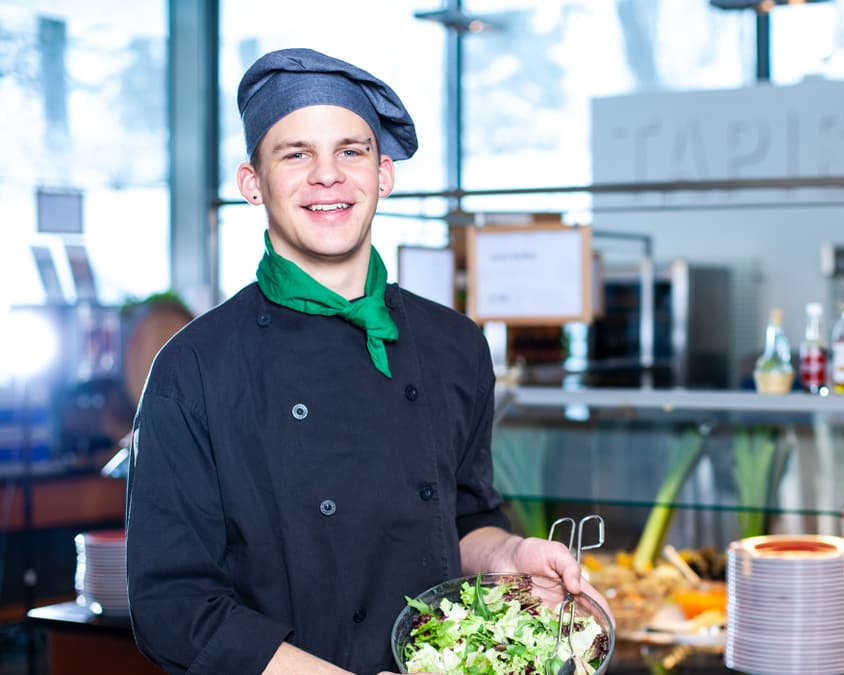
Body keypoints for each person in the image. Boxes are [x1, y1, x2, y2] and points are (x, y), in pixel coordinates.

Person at [125, 47, 598, 675]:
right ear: (253, 184)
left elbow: (459, 517)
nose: (329, 176)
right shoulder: (194, 369)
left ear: (383, 174)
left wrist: (507, 555)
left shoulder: (454, 345)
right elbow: (174, 607)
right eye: (296, 154)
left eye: (351, 151)